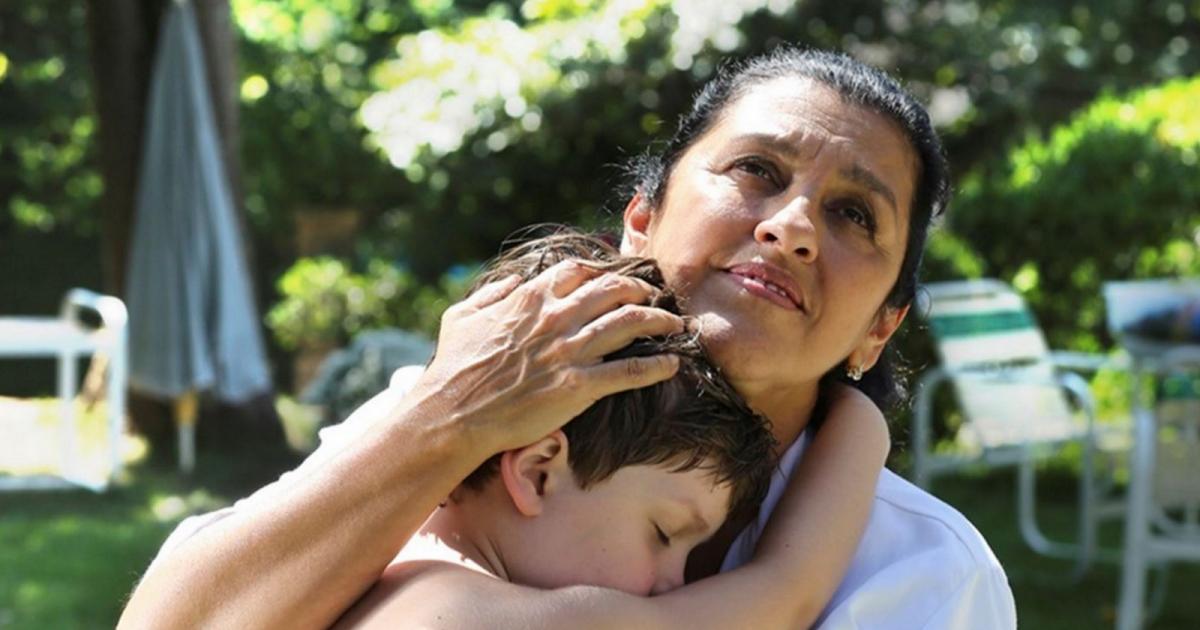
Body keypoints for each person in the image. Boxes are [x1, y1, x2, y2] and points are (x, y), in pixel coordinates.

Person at [119, 47, 1016, 629]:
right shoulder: (456, 412)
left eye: (854, 212)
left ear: (880, 330)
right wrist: (445, 416)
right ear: (640, 220)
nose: (792, 227)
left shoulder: (923, 573)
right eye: (755, 169)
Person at [333, 231, 890, 628]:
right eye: (664, 533)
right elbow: (785, 595)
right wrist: (861, 418)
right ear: (537, 471)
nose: (678, 583)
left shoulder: (351, 569)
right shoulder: (465, 615)